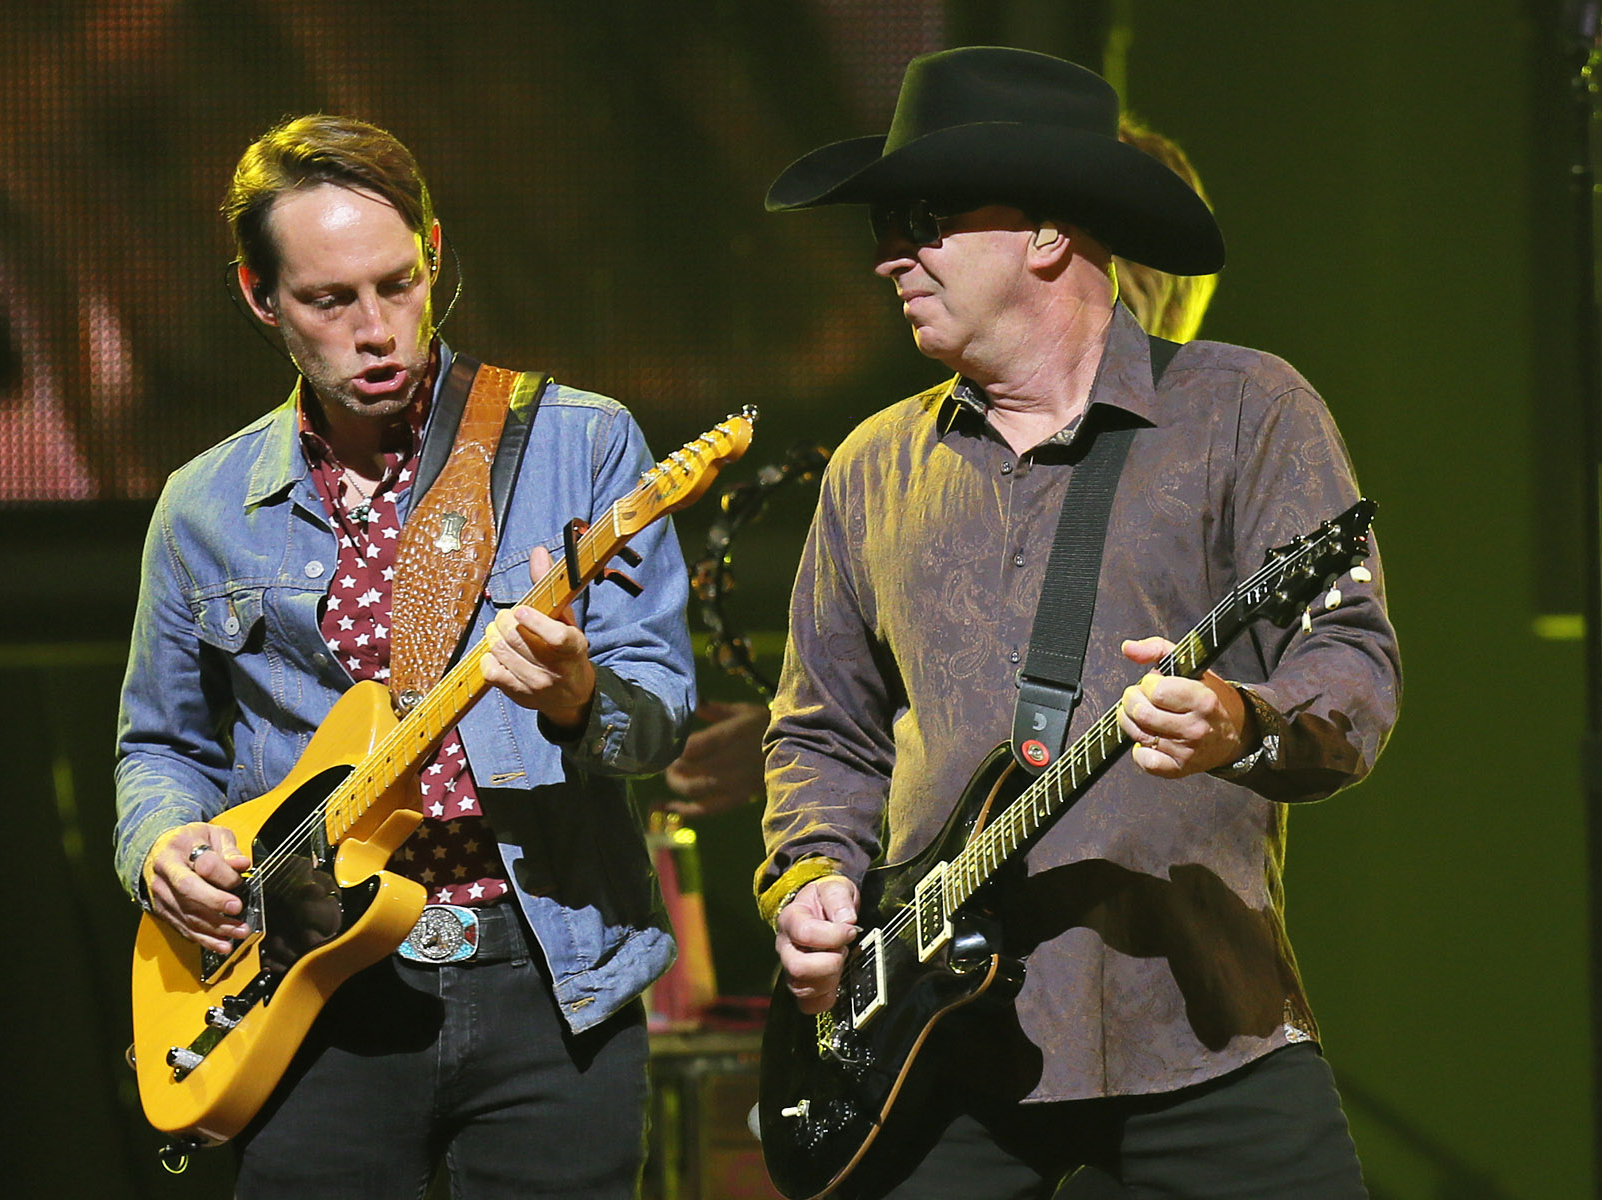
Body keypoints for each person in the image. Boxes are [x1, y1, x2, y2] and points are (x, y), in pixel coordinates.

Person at [755, 47, 1399, 1199]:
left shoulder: (1247, 410)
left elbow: (1350, 661)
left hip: (1195, 1025)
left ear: (1048, 232)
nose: (888, 254)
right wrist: (811, 876)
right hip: (928, 1053)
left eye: (923, 221)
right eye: (884, 228)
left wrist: (1241, 722)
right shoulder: (871, 467)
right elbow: (823, 731)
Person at [113, 114, 695, 1197]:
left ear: (433, 255)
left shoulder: (581, 444)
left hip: (548, 977)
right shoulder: (203, 507)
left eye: (398, 284)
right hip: (310, 987)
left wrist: (580, 697)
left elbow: (659, 717)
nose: (378, 330)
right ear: (260, 296)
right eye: (331, 301)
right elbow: (159, 746)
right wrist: (159, 847)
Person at [663, 113, 1221, 822]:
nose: (897, 259)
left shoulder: (1214, 439)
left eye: (938, 219)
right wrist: (812, 767)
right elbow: (937, 703)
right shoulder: (909, 456)